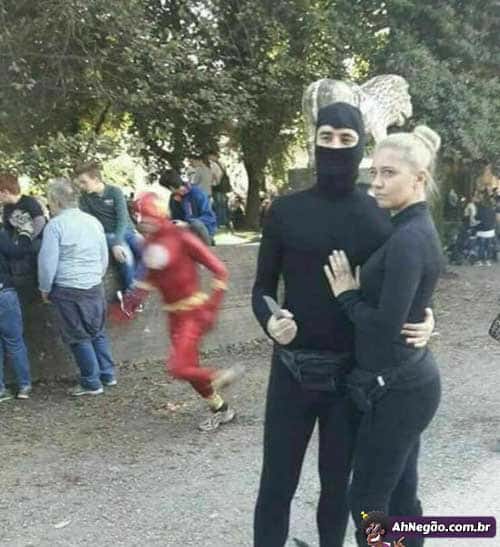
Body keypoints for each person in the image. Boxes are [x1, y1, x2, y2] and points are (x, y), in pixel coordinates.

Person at [252, 102, 434, 547]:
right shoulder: (285, 211)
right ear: (313, 140)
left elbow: (407, 280)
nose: (335, 146)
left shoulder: (380, 215)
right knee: (276, 484)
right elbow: (261, 287)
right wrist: (269, 320)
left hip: (349, 376)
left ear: (360, 145)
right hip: (291, 369)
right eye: (326, 137)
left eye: (346, 139)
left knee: (337, 486)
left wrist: (427, 320)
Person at [324, 125, 443, 547]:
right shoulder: (410, 227)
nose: (376, 182)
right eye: (373, 172)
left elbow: (385, 325)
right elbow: (413, 298)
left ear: (419, 179)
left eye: (388, 173)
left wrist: (347, 295)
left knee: (367, 499)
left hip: (399, 388)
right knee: (400, 495)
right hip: (406, 381)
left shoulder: (409, 237)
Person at [109, 192, 241, 431]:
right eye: (141, 220)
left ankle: (220, 375)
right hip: (174, 317)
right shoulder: (150, 246)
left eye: (148, 219)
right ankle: (221, 409)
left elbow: (220, 270)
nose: (144, 225)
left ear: (158, 216)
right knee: (190, 369)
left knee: (178, 367)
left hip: (193, 313)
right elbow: (147, 281)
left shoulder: (181, 237)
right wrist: (126, 308)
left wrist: (212, 306)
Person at [38, 178, 116, 396]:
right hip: (94, 284)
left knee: (78, 336)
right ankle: (108, 374)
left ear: (56, 201)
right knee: (97, 331)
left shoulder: (55, 226)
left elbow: (47, 262)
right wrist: (97, 275)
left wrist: (45, 287)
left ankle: (91, 381)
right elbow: (103, 254)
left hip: (67, 288)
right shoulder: (93, 221)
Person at [75, 161, 143, 293]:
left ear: (96, 179)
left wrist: (117, 242)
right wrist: (116, 243)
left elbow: (122, 219)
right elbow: (90, 222)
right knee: (126, 257)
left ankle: (138, 284)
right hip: (107, 234)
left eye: (84, 182)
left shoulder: (114, 191)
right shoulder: (84, 199)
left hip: (126, 230)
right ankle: (131, 293)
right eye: (80, 183)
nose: (81, 186)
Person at [0, 230, 33, 401]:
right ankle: (24, 385)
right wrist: (25, 235)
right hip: (3, 291)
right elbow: (16, 253)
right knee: (14, 341)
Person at [0, 173, 47, 276]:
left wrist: (28, 238)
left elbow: (40, 221)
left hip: (37, 241)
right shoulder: (7, 208)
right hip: (20, 245)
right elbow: (7, 230)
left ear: (5, 192)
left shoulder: (29, 202)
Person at [160, 169, 217, 246]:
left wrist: (187, 224)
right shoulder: (174, 198)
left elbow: (210, 217)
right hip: (186, 234)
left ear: (171, 188)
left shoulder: (197, 193)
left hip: (203, 232)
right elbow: (175, 219)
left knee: (196, 224)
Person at [208, 151, 231, 227]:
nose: (209, 158)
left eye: (210, 156)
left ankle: (219, 221)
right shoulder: (222, 164)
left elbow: (215, 175)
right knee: (223, 204)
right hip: (223, 187)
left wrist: (216, 182)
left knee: (218, 204)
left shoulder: (213, 164)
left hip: (217, 186)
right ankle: (225, 220)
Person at [476, 191, 496, 266]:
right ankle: (488, 260)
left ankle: (480, 260)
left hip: (482, 230)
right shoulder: (492, 209)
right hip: (490, 230)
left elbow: (477, 218)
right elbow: (494, 219)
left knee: (481, 246)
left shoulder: (480, 209)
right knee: (488, 246)